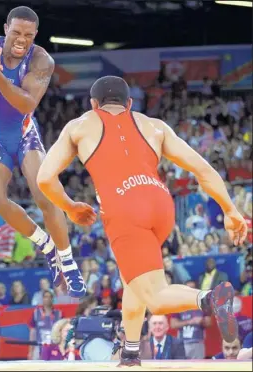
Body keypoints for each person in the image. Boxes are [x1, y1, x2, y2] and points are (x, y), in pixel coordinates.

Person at [36, 75, 247, 367]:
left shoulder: (80, 125)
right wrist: (230, 209)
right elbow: (203, 168)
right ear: (130, 104)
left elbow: (44, 178)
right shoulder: (155, 126)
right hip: (161, 205)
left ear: (93, 104)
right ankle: (131, 353)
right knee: (133, 281)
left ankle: (210, 299)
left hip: (124, 208)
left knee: (156, 298)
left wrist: (70, 207)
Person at [0, 6, 85, 297]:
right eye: (15, 32)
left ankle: (68, 262)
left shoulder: (41, 59)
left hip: (25, 135)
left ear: (35, 35)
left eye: (27, 35)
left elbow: (27, 104)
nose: (20, 39)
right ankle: (46, 245)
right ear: (5, 29)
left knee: (45, 195)